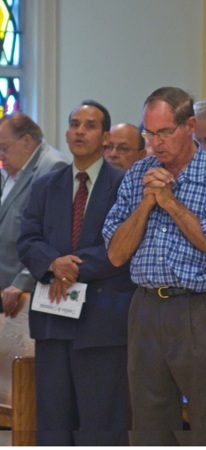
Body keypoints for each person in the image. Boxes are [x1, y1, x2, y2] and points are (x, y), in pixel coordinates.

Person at [102, 86, 206, 446]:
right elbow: (116, 253)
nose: (156, 143)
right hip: (146, 306)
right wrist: (147, 203)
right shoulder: (137, 175)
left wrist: (171, 202)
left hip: (200, 307)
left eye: (165, 132)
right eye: (150, 134)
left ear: (190, 125)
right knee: (149, 420)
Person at [17, 100, 136, 446]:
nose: (80, 131)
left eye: (90, 125)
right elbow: (27, 240)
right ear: (67, 133)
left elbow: (124, 247)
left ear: (105, 137)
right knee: (53, 423)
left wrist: (72, 265)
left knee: (101, 424)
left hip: (102, 322)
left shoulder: (123, 185)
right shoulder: (45, 185)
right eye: (74, 124)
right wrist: (53, 263)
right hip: (54, 319)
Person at [0, 112, 68, 317]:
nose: (1, 155)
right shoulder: (13, 170)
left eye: (4, 148)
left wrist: (24, 279)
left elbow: (52, 236)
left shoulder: (53, 167)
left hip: (24, 290)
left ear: (27, 141)